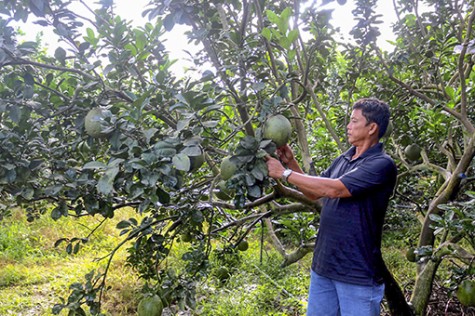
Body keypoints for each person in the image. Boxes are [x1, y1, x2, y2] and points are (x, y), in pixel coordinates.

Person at [265, 98, 397, 316]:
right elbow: (316, 191)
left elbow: (336, 189)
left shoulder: (382, 164)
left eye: (354, 121)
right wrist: (291, 163)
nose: (348, 125)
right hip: (324, 268)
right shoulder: (344, 159)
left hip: (358, 275)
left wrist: (284, 174)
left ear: (372, 128)